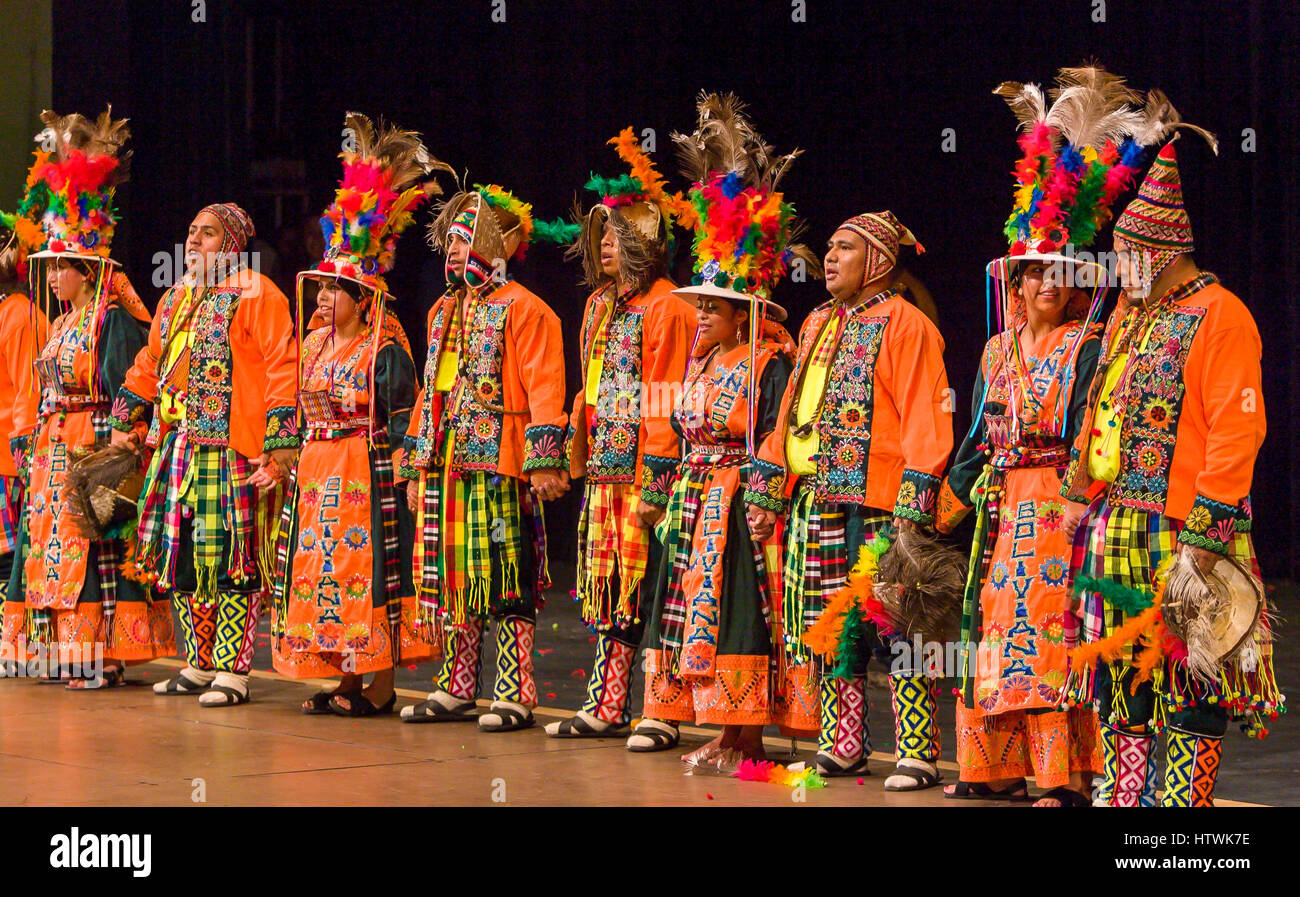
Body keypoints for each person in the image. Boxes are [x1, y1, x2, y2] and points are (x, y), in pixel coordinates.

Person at [935, 67, 1147, 805]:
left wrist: (1086, 497)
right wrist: (945, 498)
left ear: (1077, 275)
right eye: (1032, 270)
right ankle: (991, 767)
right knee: (993, 632)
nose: (1044, 279)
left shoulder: (1090, 343)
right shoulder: (997, 350)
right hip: (1003, 504)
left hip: (1062, 500)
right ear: (1017, 282)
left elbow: (1098, 423)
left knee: (1052, 634)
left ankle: (1062, 776)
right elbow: (976, 432)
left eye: (1058, 266)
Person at [1061, 127, 1282, 807]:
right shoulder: (1134, 318)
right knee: (1123, 667)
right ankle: (1122, 796)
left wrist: (1208, 530)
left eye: (1124, 255)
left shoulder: (1222, 315)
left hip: (1187, 526)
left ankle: (1186, 807)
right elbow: (1104, 408)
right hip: (1119, 521)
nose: (1116, 268)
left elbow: (1236, 424)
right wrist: (1078, 490)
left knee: (1193, 670)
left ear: (1157, 253)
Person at [747, 208, 953, 788]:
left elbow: (925, 420)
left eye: (844, 248)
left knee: (897, 626)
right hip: (819, 499)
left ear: (880, 260)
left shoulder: (907, 325)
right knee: (834, 627)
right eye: (829, 247)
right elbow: (792, 411)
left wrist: (914, 512)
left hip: (881, 505)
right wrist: (769, 486)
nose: (829, 257)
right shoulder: (815, 323)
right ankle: (844, 743)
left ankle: (916, 750)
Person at [634, 97, 810, 765]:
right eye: (700, 304)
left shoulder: (768, 361)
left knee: (741, 611)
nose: (701, 315)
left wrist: (761, 500)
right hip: (694, 495)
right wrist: (662, 487)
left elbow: (773, 435)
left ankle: (749, 730)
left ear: (743, 315)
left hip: (736, 504)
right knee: (685, 607)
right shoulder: (702, 358)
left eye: (714, 308)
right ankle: (719, 723)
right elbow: (676, 428)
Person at [271, 113, 445, 715]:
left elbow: (403, 414)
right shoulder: (316, 342)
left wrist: (405, 473)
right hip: (320, 473)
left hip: (364, 474)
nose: (322, 298)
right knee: (324, 578)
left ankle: (381, 684)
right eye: (320, 288)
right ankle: (343, 678)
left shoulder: (386, 345)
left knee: (364, 577)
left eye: (333, 291)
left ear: (362, 297)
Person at [537, 127, 697, 741]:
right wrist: (564, 452)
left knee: (657, 590)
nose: (603, 244)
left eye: (616, 234)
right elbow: (590, 389)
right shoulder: (601, 305)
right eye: (600, 234)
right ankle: (606, 707)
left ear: (643, 243)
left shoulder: (669, 306)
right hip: (606, 471)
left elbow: (665, 399)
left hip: (651, 474)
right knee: (611, 593)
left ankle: (662, 709)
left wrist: (656, 482)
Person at [111, 200, 299, 707]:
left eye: (209, 234)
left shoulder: (259, 294)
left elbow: (284, 366)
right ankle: (199, 661)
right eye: (192, 231)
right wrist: (124, 419)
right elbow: (151, 360)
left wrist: (280, 447)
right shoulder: (176, 297)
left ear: (233, 244)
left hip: (233, 447)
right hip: (181, 443)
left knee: (233, 559)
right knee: (185, 555)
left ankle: (234, 670)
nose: (194, 240)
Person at [2, 108, 165, 687]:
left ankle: (106, 652)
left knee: (98, 545)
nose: (50, 276)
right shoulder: (65, 321)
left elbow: (129, 386)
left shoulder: (112, 320)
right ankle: (64, 648)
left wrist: (122, 449)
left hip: (94, 444)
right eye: (48, 267)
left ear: (85, 268)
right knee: (52, 547)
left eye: (60, 267)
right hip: (53, 445)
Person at [398, 184, 567, 732]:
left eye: (464, 239)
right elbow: (432, 388)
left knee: (505, 575)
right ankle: (456, 685)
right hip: (447, 464)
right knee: (452, 575)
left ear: (494, 248)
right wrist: (415, 460)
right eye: (448, 240)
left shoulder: (527, 309)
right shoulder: (442, 309)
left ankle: (514, 692)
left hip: (500, 466)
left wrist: (543, 459)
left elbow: (546, 387)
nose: (452, 250)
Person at [0, 215, 50, 677]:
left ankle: (18, 645)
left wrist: (20, 450)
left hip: (6, 457)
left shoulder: (18, 313)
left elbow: (26, 390)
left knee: (7, 556)